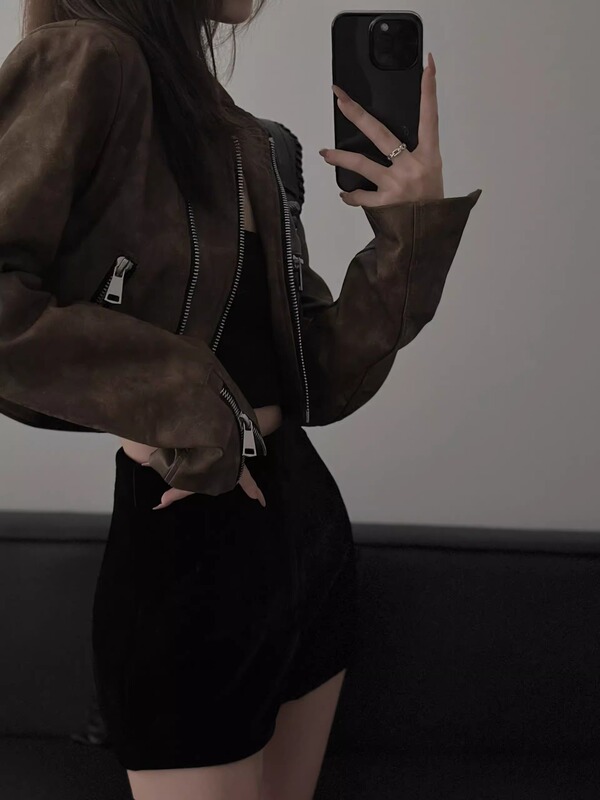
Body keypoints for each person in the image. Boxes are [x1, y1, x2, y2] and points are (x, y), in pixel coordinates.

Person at [0, 1, 482, 797]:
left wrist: (409, 231)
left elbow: (315, 375)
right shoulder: (87, 61)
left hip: (306, 526)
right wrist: (190, 403)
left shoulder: (252, 139)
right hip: (192, 535)